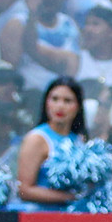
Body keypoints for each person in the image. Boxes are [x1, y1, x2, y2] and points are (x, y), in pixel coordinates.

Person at [14, 77, 90, 209]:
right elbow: (24, 190)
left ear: (78, 106)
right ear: (46, 103)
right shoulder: (36, 139)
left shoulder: (78, 140)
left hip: (72, 219)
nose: (60, 106)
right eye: (54, 99)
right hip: (41, 219)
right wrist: (72, 197)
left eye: (67, 101)